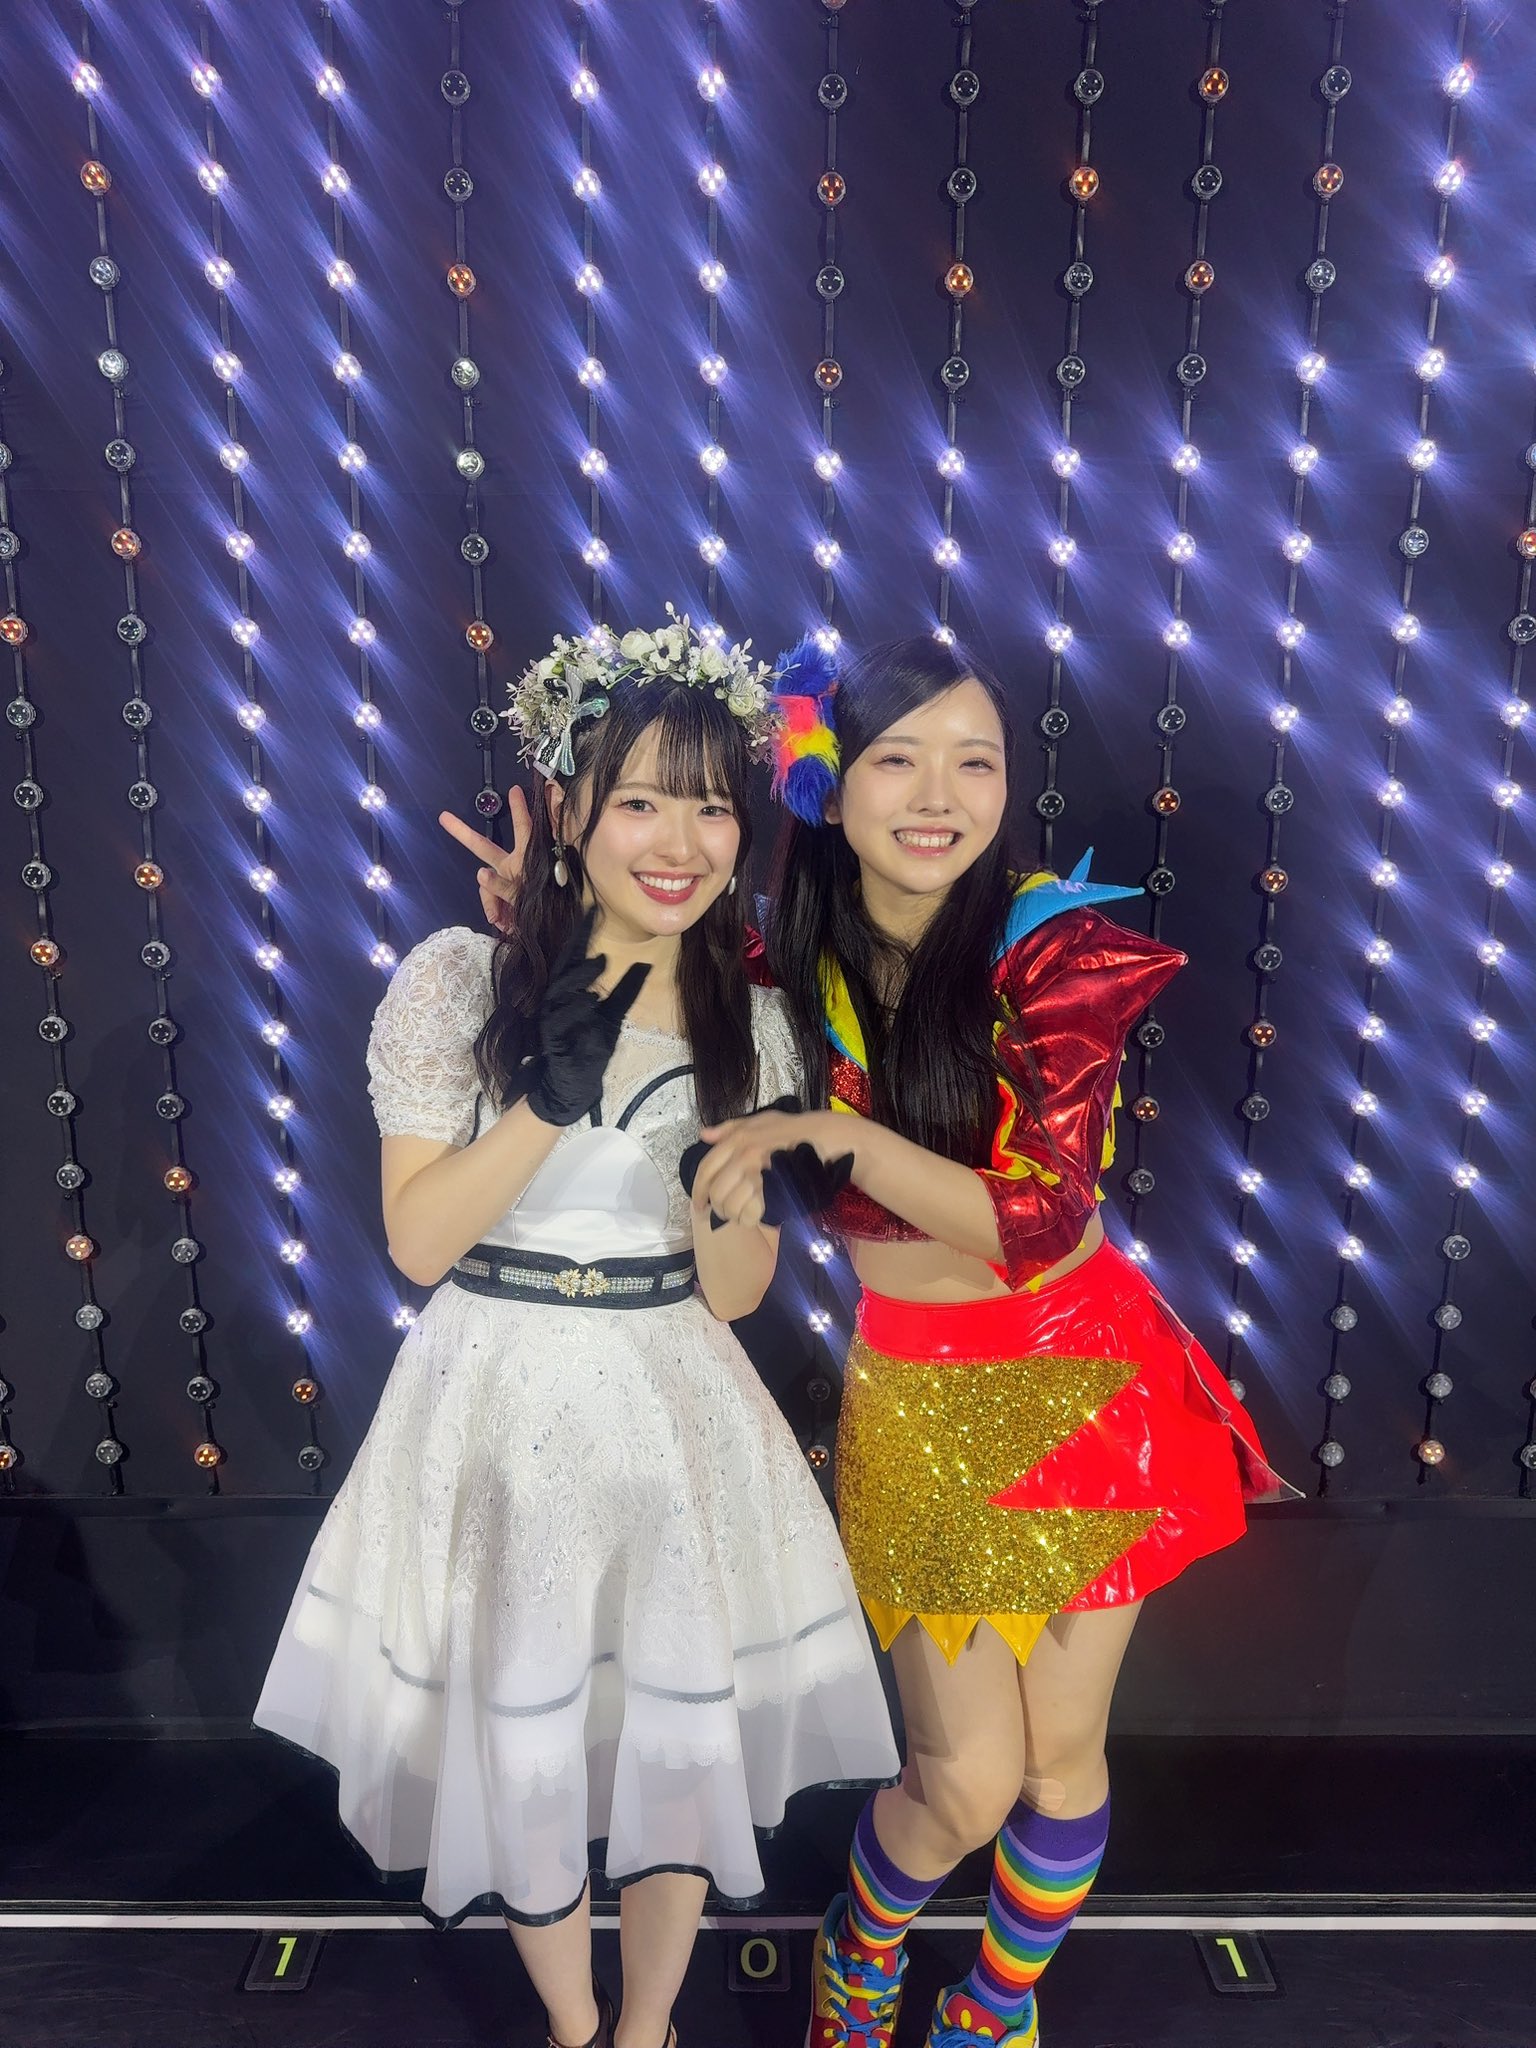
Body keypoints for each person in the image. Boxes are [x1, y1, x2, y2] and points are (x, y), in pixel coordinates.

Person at [256, 612, 898, 2048]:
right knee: (527, 1745)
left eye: (712, 805)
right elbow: (421, 1242)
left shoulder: (757, 1022)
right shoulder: (458, 980)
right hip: (498, 1400)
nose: (680, 841)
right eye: (642, 801)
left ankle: (649, 2027)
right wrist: (546, 1100)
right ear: (567, 809)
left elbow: (737, 1292)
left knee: (676, 1750)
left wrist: (726, 1159)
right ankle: (573, 2025)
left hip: (674, 1406)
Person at [687, 635, 1298, 2048]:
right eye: (898, 759)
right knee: (962, 1782)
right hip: (918, 1397)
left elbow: (1038, 1214)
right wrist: (537, 923)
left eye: (976, 763)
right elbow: (634, 978)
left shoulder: (1051, 946)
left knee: (1061, 1761)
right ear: (827, 784)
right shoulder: (773, 958)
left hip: (1085, 1376)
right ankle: (860, 1952)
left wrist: (836, 1133)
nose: (939, 796)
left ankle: (992, 2009)